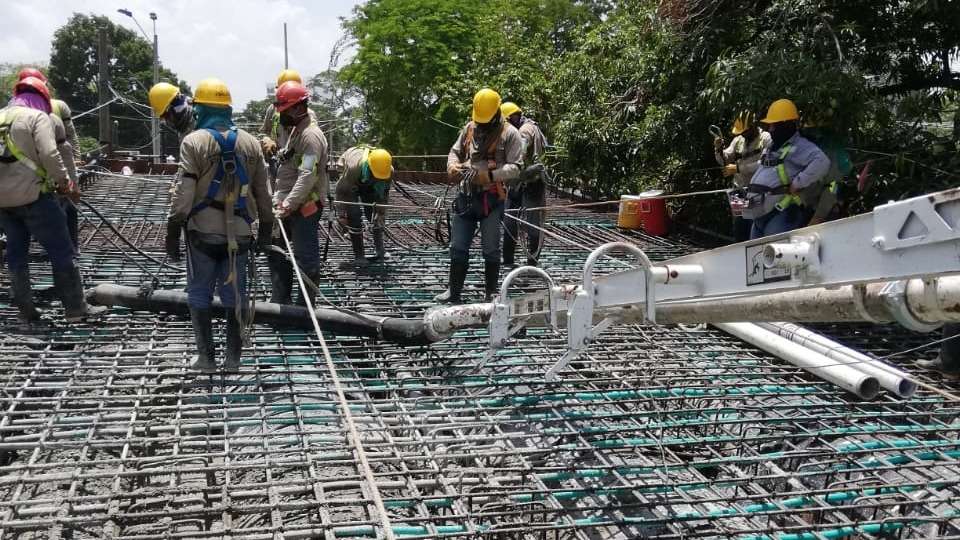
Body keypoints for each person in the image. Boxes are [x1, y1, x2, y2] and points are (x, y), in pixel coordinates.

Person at [165, 78, 273, 373]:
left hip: (203, 233)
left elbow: (184, 193)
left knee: (199, 293)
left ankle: (207, 360)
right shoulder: (251, 143)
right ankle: (234, 360)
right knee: (234, 296)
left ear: (200, 108)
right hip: (239, 234)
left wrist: (173, 229)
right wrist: (265, 229)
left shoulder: (195, 141)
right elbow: (264, 193)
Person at [0, 76, 104, 323]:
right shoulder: (37, 118)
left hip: (4, 203)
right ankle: (76, 310)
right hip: (34, 198)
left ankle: (26, 310)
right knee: (62, 250)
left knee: (16, 253)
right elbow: (49, 152)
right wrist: (66, 183)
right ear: (43, 98)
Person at [436, 88, 523, 303]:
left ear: (496, 114)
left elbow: (516, 168)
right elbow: (455, 151)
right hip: (466, 198)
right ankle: (454, 291)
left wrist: (489, 176)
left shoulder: (510, 134)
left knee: (491, 248)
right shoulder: (469, 128)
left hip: (491, 201)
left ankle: (491, 291)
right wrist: (453, 166)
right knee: (457, 246)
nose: (481, 125)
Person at [268, 80, 328, 306]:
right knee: (277, 251)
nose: (281, 115)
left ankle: (305, 305)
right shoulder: (297, 131)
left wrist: (288, 204)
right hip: (290, 204)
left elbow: (307, 175)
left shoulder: (310, 136)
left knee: (305, 256)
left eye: (283, 110)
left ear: (297, 108)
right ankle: (280, 300)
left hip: (305, 207)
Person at [743, 99, 830, 239]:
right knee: (756, 257)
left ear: (786, 125)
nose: (770, 129)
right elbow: (763, 166)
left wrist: (798, 183)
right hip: (759, 214)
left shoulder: (800, 146)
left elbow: (822, 162)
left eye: (773, 125)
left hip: (781, 213)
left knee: (776, 257)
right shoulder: (773, 145)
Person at [500, 102, 548, 268]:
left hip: (531, 182)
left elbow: (520, 152)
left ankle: (531, 264)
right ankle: (508, 261)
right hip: (520, 181)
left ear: (512, 118)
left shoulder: (525, 130)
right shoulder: (527, 127)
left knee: (533, 225)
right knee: (510, 218)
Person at [715, 111, 771, 241]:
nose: (743, 134)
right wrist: (718, 149)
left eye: (745, 131)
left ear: (753, 126)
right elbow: (725, 159)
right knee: (740, 225)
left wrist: (739, 168)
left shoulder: (766, 138)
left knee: (755, 225)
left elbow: (765, 164)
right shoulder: (738, 140)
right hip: (739, 191)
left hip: (758, 192)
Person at [335, 146, 393, 267]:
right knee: (354, 214)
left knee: (374, 213)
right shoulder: (353, 169)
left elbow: (383, 195)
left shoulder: (388, 171)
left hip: (370, 182)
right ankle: (359, 256)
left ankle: (380, 250)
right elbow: (341, 191)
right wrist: (341, 215)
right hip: (351, 179)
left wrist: (380, 213)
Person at [16, 68, 81, 163]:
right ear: (44, 86)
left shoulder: (11, 111)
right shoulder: (59, 106)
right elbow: (70, 135)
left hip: (24, 166)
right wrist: (76, 158)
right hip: (56, 163)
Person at [799, 112, 852, 226]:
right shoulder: (807, 151)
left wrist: (819, 216)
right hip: (807, 206)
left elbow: (833, 186)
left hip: (826, 210)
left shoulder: (833, 152)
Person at [259, 69, 317, 172]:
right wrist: (267, 140)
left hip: (296, 167)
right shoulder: (272, 109)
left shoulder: (307, 115)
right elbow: (265, 132)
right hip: (277, 165)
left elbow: (311, 149)